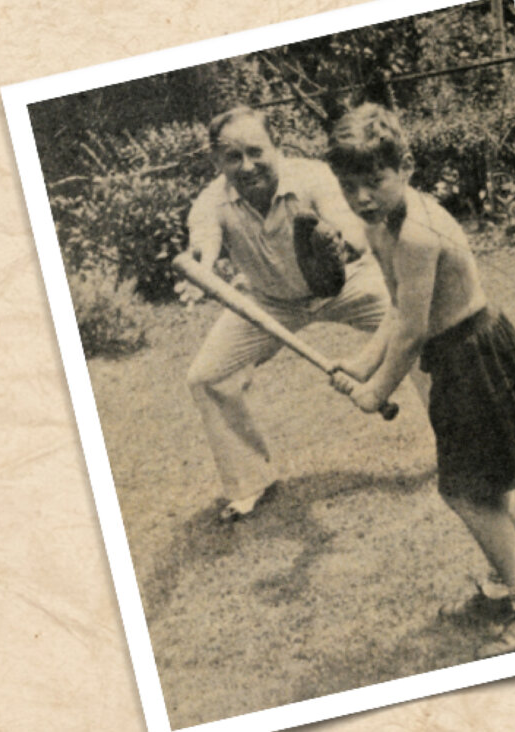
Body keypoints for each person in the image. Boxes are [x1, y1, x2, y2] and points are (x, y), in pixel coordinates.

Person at [325, 103, 515, 658]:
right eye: (349, 184)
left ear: (404, 167)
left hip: (474, 355)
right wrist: (363, 362)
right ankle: (505, 586)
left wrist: (377, 390)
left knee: (466, 490)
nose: (361, 196)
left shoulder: (415, 233)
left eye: (374, 180)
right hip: (455, 358)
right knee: (477, 483)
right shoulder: (380, 224)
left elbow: (411, 332)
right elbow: (397, 307)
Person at [182, 106, 427, 523]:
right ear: (216, 161)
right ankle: (250, 483)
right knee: (207, 377)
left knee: (422, 330)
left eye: (256, 151)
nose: (247, 165)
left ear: (276, 146)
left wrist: (341, 243)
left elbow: (352, 230)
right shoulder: (211, 201)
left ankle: (463, 441)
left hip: (348, 283)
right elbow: (202, 245)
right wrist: (200, 272)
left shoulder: (313, 176)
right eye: (232, 157)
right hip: (270, 301)